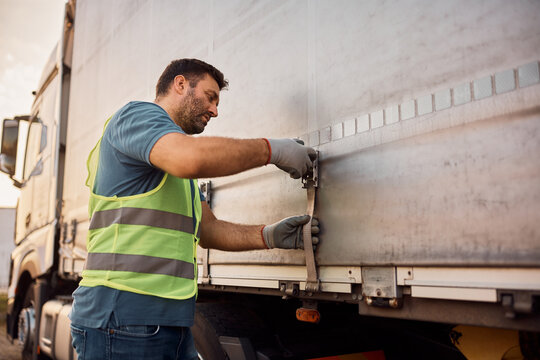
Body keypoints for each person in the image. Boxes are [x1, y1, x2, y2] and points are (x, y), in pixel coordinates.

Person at [69, 58, 319, 359]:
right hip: (122, 316)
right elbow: (189, 159)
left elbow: (207, 228)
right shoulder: (136, 116)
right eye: (210, 97)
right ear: (180, 84)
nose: (215, 110)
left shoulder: (170, 164)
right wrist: (272, 150)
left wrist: (268, 236)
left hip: (169, 321)